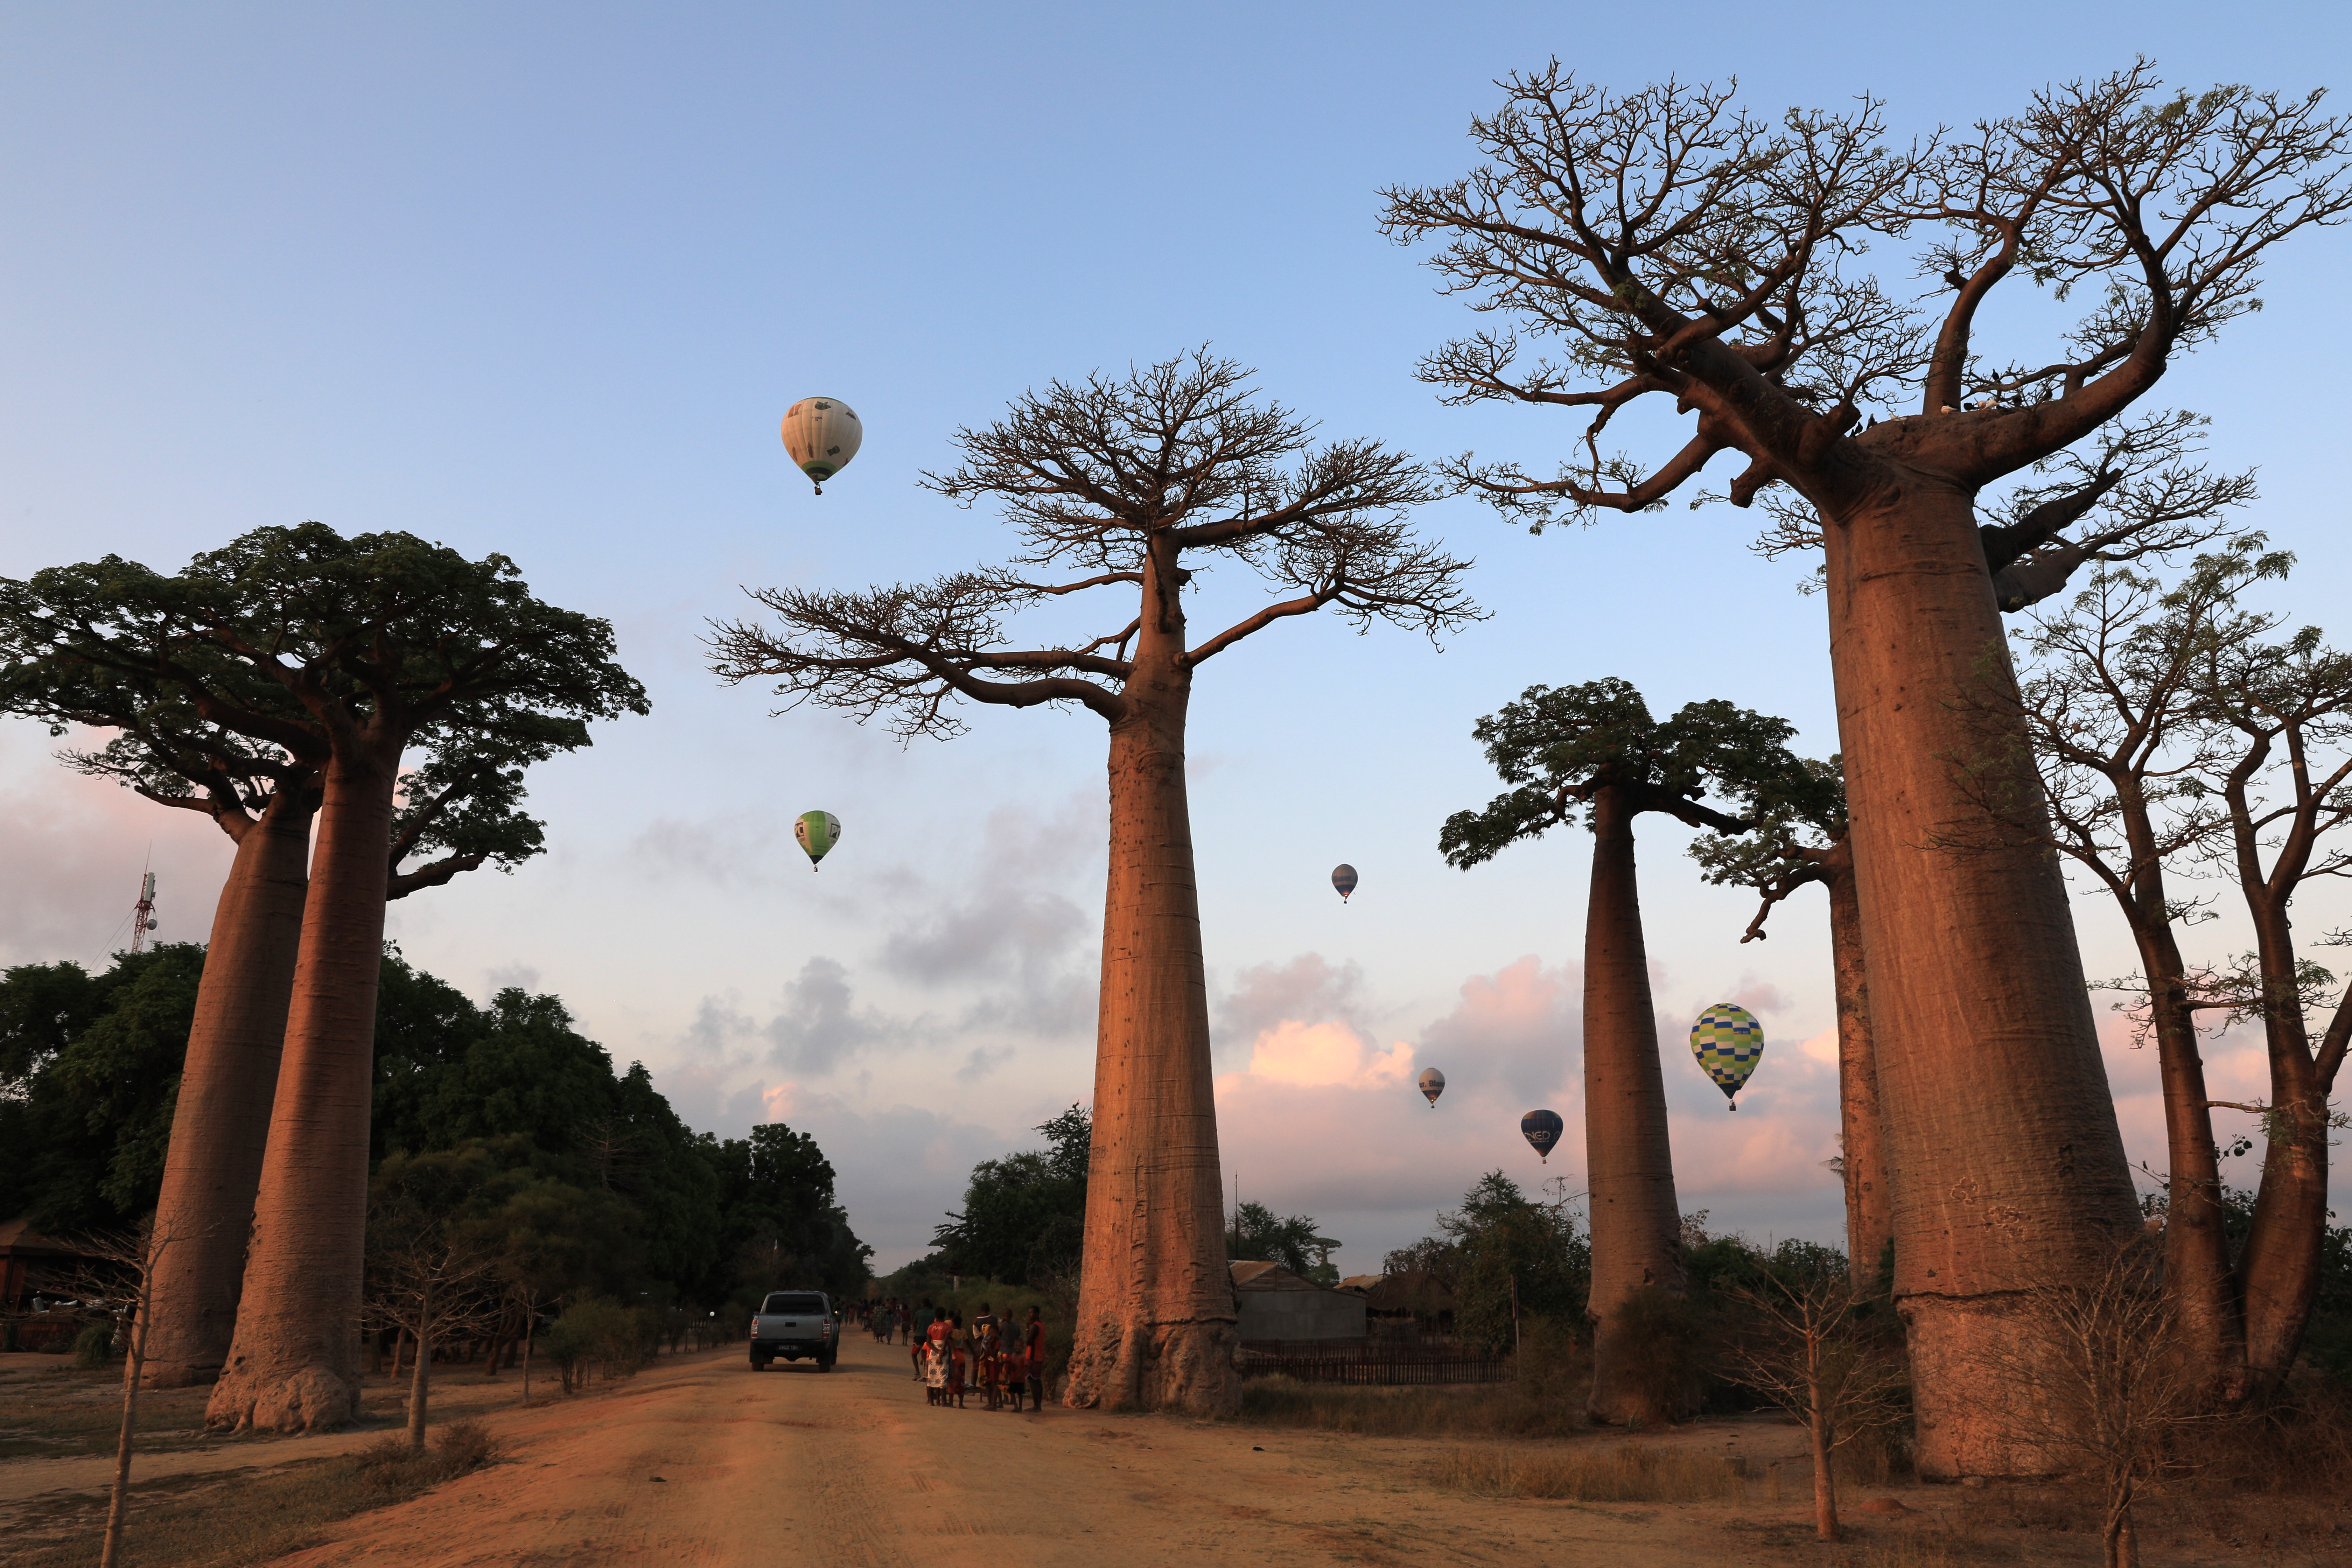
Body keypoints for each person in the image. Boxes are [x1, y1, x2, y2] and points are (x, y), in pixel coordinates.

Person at [1023, 1305, 1046, 1412]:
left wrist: (1028, 1328)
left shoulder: (1035, 1327)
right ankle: (1038, 1405)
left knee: (1032, 1381)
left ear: (1037, 1314)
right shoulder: (1042, 1325)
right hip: (1039, 1356)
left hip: (1032, 1357)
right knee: (1037, 1381)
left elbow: (1028, 1341)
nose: (1030, 1315)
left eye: (1032, 1313)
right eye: (1029, 1313)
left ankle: (1036, 1406)